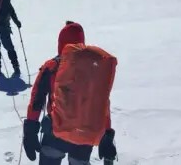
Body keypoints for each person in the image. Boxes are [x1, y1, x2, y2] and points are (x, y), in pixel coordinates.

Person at [22, 21, 117, 164]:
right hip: (84, 135)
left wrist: (31, 128)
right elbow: (101, 102)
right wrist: (107, 135)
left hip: (55, 132)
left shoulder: (52, 66)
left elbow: (37, 99)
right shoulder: (92, 69)